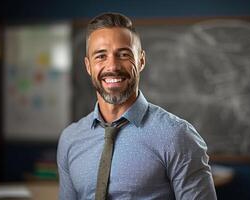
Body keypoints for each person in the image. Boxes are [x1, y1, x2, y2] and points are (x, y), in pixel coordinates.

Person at [57, 12, 217, 200]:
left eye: (123, 54)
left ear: (141, 60)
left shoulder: (177, 136)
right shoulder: (70, 139)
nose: (112, 66)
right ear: (88, 66)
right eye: (101, 56)